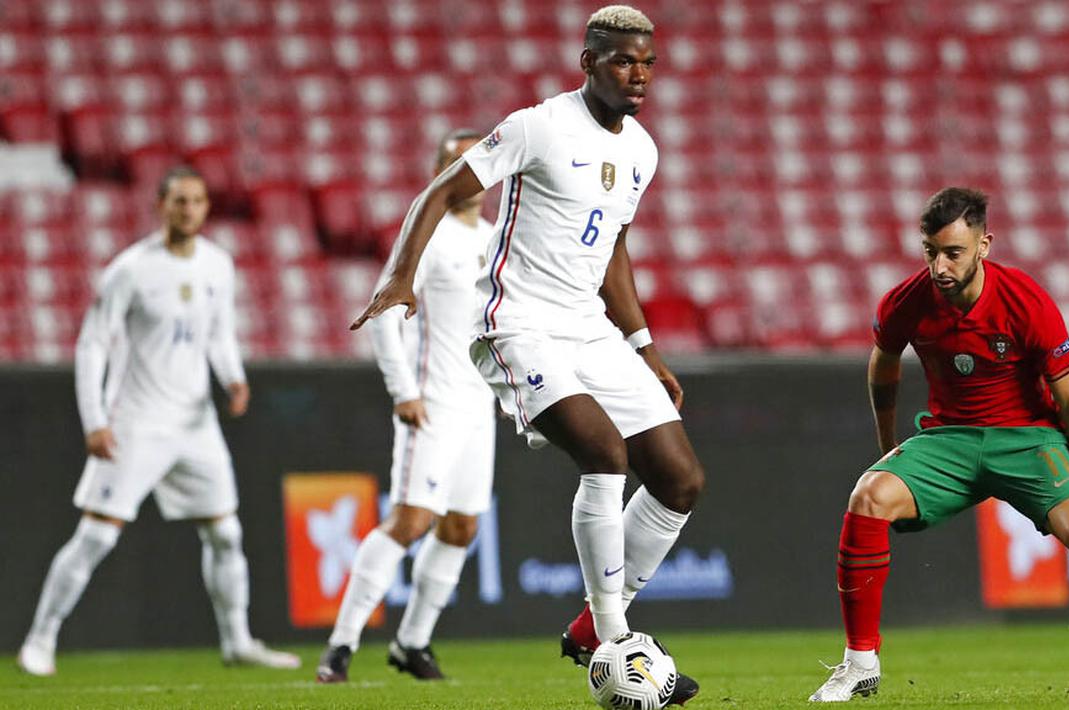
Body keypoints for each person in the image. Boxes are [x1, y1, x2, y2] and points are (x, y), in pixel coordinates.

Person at [351, 5, 703, 704]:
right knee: (604, 453)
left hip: (588, 327)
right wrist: (398, 276)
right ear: (587, 62)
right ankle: (612, 638)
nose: (637, 74)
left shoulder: (641, 149)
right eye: (621, 61)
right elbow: (442, 190)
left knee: (678, 477)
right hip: (515, 321)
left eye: (646, 62)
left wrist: (643, 347)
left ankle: (587, 627)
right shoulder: (537, 125)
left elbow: (613, 254)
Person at [810, 188, 1069, 703]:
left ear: (984, 244)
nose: (939, 266)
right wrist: (889, 447)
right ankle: (860, 664)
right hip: (950, 438)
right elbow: (883, 368)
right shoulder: (905, 302)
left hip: (1030, 439)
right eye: (930, 251)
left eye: (953, 253)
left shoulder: (1027, 301)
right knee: (867, 496)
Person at [17, 167, 300, 675]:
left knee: (225, 533)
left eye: (196, 201)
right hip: (136, 422)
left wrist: (232, 378)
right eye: (178, 201)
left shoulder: (218, 265)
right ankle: (40, 639)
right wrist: (94, 420)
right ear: (160, 206)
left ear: (206, 208)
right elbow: (92, 344)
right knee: (98, 536)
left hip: (195, 423)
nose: (188, 210)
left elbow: (219, 332)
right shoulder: (130, 270)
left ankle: (237, 641)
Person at [316, 130, 497, 683]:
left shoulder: (495, 239)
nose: (467, 172)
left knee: (462, 529)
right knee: (412, 519)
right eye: (454, 162)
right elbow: (384, 316)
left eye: (476, 162)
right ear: (439, 172)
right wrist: (404, 392)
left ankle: (412, 643)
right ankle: (340, 646)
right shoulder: (429, 237)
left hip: (478, 405)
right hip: (433, 401)